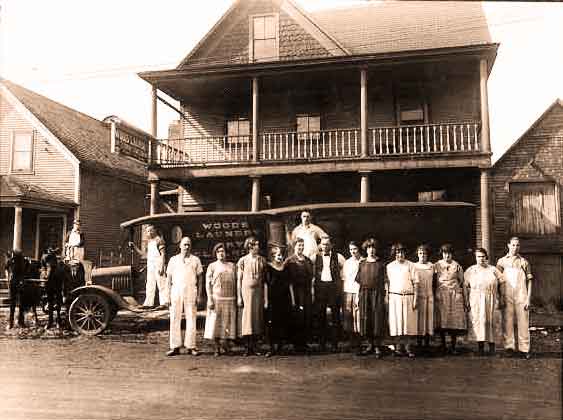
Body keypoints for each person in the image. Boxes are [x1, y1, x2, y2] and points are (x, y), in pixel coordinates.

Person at [166, 236, 203, 357]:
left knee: (191, 317)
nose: (187, 247)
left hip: (191, 290)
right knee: (174, 317)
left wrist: (199, 295)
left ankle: (191, 346)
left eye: (188, 244)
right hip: (176, 290)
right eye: (184, 244)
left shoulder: (195, 260)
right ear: (180, 246)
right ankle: (175, 346)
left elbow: (200, 278)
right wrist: (168, 295)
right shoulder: (173, 260)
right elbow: (169, 279)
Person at [496, 237, 533, 359]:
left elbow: (529, 281)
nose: (515, 247)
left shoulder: (524, 262)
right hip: (507, 294)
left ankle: (524, 349)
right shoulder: (501, 262)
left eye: (517, 245)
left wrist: (528, 298)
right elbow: (498, 281)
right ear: (508, 245)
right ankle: (509, 348)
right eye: (513, 245)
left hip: (521, 294)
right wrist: (500, 296)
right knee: (508, 321)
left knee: (523, 321)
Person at [464, 248, 504, 356]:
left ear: (486, 257)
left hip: (491, 298)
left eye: (482, 256)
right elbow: (465, 286)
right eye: (478, 256)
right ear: (475, 258)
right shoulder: (470, 270)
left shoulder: (493, 270)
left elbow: (502, 283)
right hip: (476, 299)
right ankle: (480, 349)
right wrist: (466, 301)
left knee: (491, 321)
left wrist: (501, 298)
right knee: (479, 322)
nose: (481, 259)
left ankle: (492, 349)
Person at [434, 244, 468, 355]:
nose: (447, 255)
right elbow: (433, 280)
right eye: (444, 253)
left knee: (454, 320)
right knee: (442, 319)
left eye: (449, 253)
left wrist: (460, 294)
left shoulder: (456, 265)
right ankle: (443, 345)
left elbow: (462, 281)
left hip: (454, 294)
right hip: (442, 293)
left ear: (452, 254)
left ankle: (453, 346)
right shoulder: (437, 265)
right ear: (442, 254)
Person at [355, 238, 386, 357]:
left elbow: (385, 282)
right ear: (366, 249)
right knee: (366, 317)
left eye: (373, 248)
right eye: (369, 248)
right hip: (364, 293)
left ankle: (378, 346)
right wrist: (358, 298)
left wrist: (385, 296)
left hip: (377, 293)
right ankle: (370, 344)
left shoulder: (381, 263)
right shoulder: (362, 263)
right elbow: (359, 281)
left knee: (377, 317)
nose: (371, 250)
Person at [313, 235, 345, 353]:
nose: (325, 246)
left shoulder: (339, 257)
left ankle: (334, 344)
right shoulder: (315, 257)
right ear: (320, 245)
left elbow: (346, 270)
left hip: (333, 289)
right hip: (321, 289)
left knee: (335, 317)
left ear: (331, 245)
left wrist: (340, 285)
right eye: (323, 244)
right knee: (321, 316)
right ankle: (322, 344)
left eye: (327, 244)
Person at [205, 243, 237, 357]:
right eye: (218, 251)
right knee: (215, 323)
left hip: (230, 298)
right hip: (216, 298)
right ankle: (217, 347)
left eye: (223, 251)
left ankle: (226, 346)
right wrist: (209, 299)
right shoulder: (212, 266)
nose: (221, 253)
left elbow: (237, 282)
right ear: (215, 253)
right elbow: (208, 284)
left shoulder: (232, 266)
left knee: (227, 323)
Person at [237, 236, 268, 356]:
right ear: (250, 246)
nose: (258, 247)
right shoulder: (242, 261)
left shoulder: (262, 260)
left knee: (257, 319)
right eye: (256, 244)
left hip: (258, 293)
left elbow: (265, 280)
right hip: (246, 293)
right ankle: (247, 347)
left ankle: (256, 346)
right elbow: (239, 280)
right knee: (247, 319)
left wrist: (265, 297)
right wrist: (239, 297)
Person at [386, 243, 418, 357]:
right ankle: (398, 348)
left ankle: (409, 348)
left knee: (408, 323)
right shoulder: (389, 266)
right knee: (397, 322)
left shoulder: (411, 265)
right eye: (398, 252)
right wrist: (387, 297)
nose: (400, 254)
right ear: (394, 254)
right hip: (395, 297)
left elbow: (416, 283)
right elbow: (387, 284)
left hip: (408, 296)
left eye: (402, 252)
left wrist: (415, 299)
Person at [284, 237, 314, 353]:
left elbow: (311, 277)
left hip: (306, 292)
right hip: (295, 292)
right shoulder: (289, 261)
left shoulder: (307, 260)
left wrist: (311, 291)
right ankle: (296, 344)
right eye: (298, 245)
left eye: (302, 245)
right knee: (297, 316)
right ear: (294, 247)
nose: (300, 248)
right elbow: (285, 279)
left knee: (306, 316)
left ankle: (304, 342)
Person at [129, 225, 169, 309]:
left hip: (158, 263)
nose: (149, 233)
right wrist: (135, 247)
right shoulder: (149, 242)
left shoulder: (159, 240)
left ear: (154, 230)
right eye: (147, 231)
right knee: (150, 284)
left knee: (161, 283)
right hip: (150, 264)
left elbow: (163, 254)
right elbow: (145, 255)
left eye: (151, 230)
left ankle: (164, 303)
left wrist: (162, 266)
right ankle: (148, 303)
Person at [265, 246, 293, 356]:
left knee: (283, 322)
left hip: (284, 299)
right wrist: (266, 300)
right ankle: (271, 348)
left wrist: (293, 300)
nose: (279, 257)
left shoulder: (286, 268)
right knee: (272, 323)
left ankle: (280, 347)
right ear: (272, 257)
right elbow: (266, 285)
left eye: (281, 255)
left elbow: (289, 284)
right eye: (277, 255)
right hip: (273, 299)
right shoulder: (268, 267)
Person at [412, 244, 435, 351]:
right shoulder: (413, 266)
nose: (422, 255)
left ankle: (427, 345)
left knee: (428, 320)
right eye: (420, 253)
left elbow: (435, 281)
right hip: (419, 296)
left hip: (429, 296)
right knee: (419, 321)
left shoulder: (432, 266)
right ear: (417, 254)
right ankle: (419, 344)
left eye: (424, 253)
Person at [342, 241, 363, 351]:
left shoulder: (363, 261)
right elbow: (344, 278)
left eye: (354, 249)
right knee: (348, 316)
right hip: (348, 291)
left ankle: (359, 342)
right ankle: (351, 342)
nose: (353, 251)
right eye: (351, 249)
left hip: (358, 291)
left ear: (358, 249)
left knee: (358, 316)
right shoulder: (347, 262)